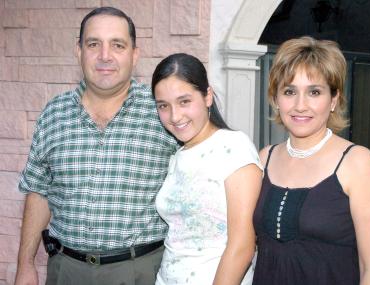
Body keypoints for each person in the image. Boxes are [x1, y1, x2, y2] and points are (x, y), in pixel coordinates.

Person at [15, 6, 178, 285]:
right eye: (94, 44)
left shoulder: (163, 113)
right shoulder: (53, 113)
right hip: (66, 270)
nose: (105, 56)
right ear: (78, 51)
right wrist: (25, 264)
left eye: (117, 45)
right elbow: (39, 192)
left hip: (140, 271)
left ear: (134, 54)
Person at [252, 36, 370, 285]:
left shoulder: (357, 163)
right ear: (276, 99)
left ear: (334, 99)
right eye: (289, 91)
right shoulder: (264, 158)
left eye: (314, 92)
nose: (300, 105)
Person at [151, 53, 263, 285]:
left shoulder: (233, 147)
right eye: (163, 106)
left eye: (184, 101)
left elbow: (242, 245)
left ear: (207, 96)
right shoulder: (178, 156)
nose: (174, 116)